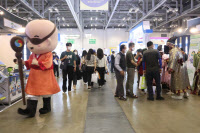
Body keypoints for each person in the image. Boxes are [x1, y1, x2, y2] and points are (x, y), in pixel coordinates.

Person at [18, 19, 60, 117]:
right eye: (29, 41)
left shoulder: (48, 54)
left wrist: (38, 63)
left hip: (44, 77)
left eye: (36, 42)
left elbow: (48, 64)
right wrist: (24, 62)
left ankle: (47, 107)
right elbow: (29, 62)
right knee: (32, 94)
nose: (31, 45)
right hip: (34, 77)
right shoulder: (33, 54)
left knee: (46, 93)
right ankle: (30, 111)